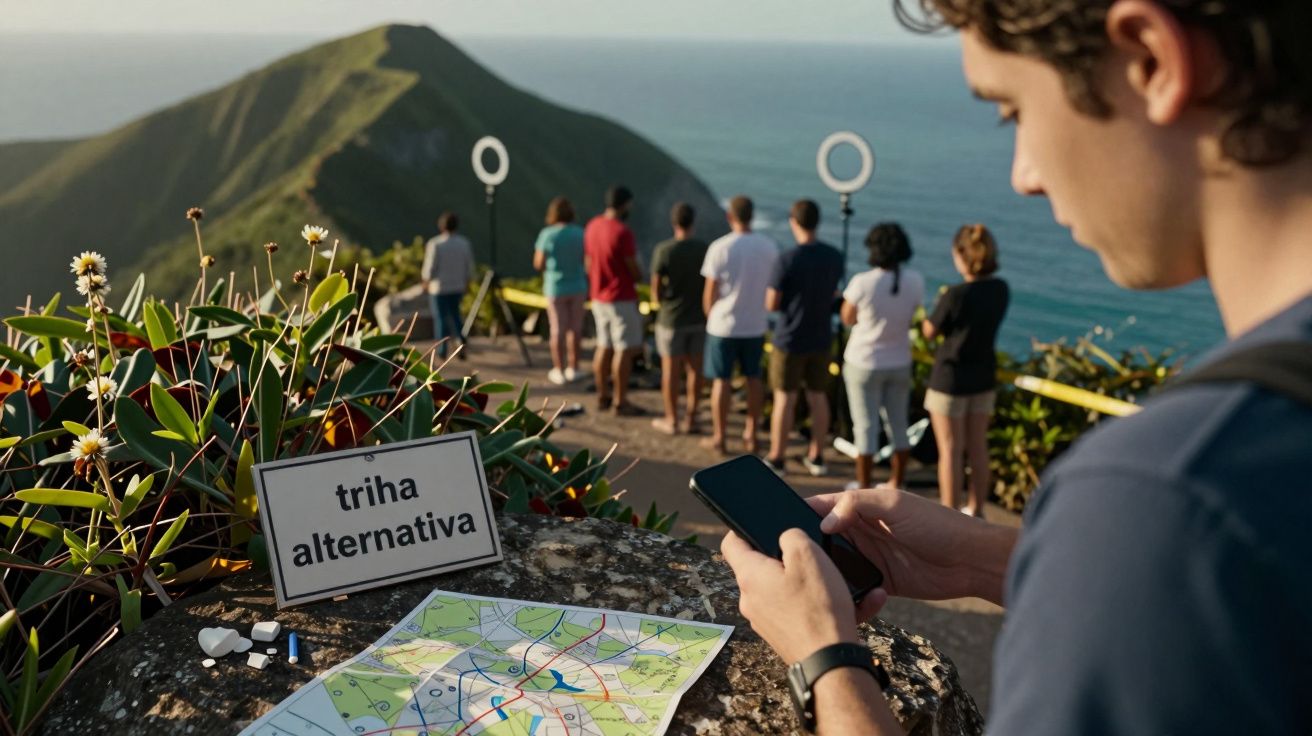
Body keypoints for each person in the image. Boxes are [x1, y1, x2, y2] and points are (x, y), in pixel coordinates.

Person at [721, 1, 1312, 733]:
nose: (1024, 175)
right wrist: (1000, 560)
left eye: (1013, 112)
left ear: (1150, 61)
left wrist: (825, 660)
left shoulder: (1168, 497)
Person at [922, 224, 1009, 517]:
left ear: (963, 255)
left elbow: (930, 331)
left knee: (950, 450)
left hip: (950, 379)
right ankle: (977, 508)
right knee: (977, 447)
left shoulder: (955, 295)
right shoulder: (1000, 289)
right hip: (983, 377)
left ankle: (949, 513)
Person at [841, 223, 925, 490]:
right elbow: (913, 317)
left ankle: (864, 487)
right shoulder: (915, 281)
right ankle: (896, 483)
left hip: (864, 362)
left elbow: (847, 317)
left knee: (865, 428)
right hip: (899, 361)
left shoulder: (863, 282)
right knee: (899, 426)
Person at [764, 199, 844, 476]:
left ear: (793, 221)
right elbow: (835, 294)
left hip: (789, 337)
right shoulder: (834, 256)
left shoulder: (787, 259)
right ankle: (817, 455)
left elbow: (772, 303)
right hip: (821, 336)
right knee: (818, 396)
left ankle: (777, 457)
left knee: (785, 398)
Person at [701, 195, 779, 455]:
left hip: (723, 325)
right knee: (753, 379)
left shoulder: (720, 247)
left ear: (729, 216)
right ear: (752, 216)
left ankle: (720, 436)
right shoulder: (769, 247)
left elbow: (709, 293)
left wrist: (710, 315)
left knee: (721, 382)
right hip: (755, 324)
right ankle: (752, 434)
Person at [584, 185, 646, 416]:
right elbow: (632, 267)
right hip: (620, 296)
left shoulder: (592, 226)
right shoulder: (622, 232)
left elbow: (589, 263)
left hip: (598, 295)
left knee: (603, 345)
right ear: (624, 204)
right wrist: (639, 276)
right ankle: (621, 401)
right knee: (624, 349)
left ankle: (603, 395)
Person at [650, 202, 709, 435]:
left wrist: (663, 300)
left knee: (670, 372)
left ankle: (672, 419)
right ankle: (692, 418)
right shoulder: (704, 249)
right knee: (696, 371)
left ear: (674, 223)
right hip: (698, 318)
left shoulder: (664, 250)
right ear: (693, 222)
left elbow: (655, 291)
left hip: (671, 320)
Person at [533, 196, 587, 385]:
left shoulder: (547, 235)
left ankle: (559, 369)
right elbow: (585, 260)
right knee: (576, 329)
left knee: (557, 329)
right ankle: (574, 367)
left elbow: (538, 263)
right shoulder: (580, 234)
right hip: (578, 285)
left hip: (555, 287)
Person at [421, 212, 474, 359]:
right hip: (457, 287)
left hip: (439, 288)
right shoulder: (464, 243)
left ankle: (442, 350)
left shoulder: (435, 244)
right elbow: (469, 267)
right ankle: (461, 343)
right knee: (456, 316)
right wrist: (467, 283)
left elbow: (430, 267)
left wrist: (425, 281)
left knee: (440, 319)